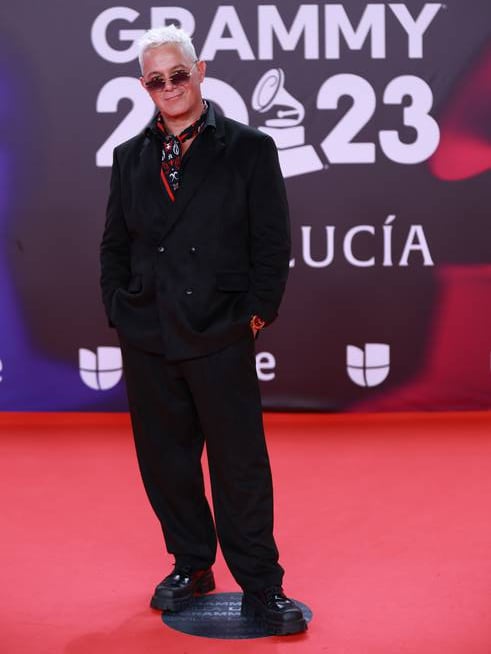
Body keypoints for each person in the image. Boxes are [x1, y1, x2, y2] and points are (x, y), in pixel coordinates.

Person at [100, 25, 306, 636]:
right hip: (148, 335)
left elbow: (272, 245)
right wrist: (121, 306)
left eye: (178, 74)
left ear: (201, 71)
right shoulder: (129, 157)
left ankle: (263, 586)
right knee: (166, 462)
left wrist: (254, 315)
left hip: (219, 332)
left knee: (240, 464)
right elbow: (115, 244)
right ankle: (191, 563)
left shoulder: (249, 149)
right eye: (156, 79)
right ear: (145, 86)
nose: (169, 87)